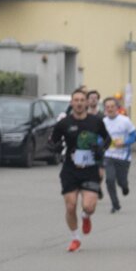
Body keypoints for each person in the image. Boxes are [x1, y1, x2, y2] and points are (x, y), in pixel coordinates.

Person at [50, 90, 111, 252]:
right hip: (70, 169)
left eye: (82, 100)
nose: (79, 103)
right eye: (76, 100)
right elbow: (53, 141)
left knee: (89, 206)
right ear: (71, 103)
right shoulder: (64, 123)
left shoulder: (96, 121)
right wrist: (56, 147)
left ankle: (86, 216)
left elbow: (107, 139)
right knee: (70, 206)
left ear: (87, 103)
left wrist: (100, 149)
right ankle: (75, 238)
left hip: (90, 169)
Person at [100, 98, 136, 213]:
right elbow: (99, 137)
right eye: (107, 107)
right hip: (108, 155)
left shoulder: (125, 120)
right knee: (109, 179)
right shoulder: (103, 122)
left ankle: (124, 186)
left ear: (117, 108)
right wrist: (100, 144)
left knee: (121, 181)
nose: (110, 109)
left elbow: (133, 135)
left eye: (112, 106)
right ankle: (115, 204)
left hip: (123, 156)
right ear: (105, 109)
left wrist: (125, 142)